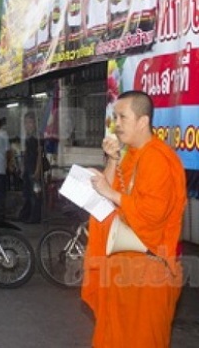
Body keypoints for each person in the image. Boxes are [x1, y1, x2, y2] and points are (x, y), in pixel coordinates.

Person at [84, 91, 185, 347]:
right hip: (120, 268)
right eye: (114, 117)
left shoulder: (159, 159)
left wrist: (112, 193)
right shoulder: (130, 156)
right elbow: (103, 199)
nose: (116, 124)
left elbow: (153, 215)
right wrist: (112, 160)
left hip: (147, 273)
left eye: (122, 117)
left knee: (143, 339)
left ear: (142, 121)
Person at [19, 112, 43, 224]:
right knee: (27, 193)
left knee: (36, 194)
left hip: (34, 168)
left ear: (34, 123)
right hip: (28, 168)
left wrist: (38, 170)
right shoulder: (28, 136)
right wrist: (23, 167)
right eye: (26, 122)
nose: (27, 125)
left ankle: (35, 217)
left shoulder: (38, 137)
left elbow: (40, 155)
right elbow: (25, 153)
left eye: (30, 122)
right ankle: (25, 215)